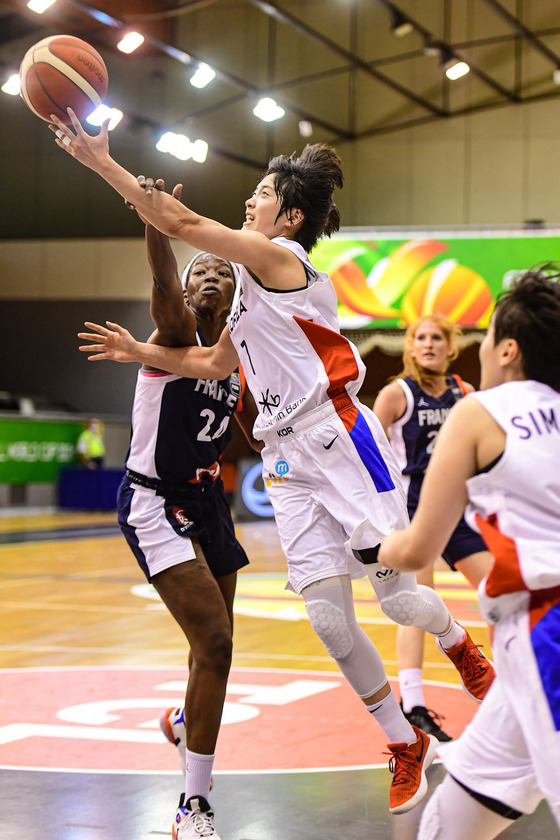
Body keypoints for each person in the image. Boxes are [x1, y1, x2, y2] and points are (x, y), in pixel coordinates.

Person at [51, 110, 494, 817]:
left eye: (260, 194)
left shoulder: (284, 262)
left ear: (288, 217)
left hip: (338, 437)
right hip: (287, 459)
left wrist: (102, 161)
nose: (249, 201)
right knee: (327, 618)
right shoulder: (250, 295)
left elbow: (181, 223)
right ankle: (402, 741)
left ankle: (459, 646)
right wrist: (140, 354)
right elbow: (209, 360)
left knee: (396, 596)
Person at [377, 266, 560, 838]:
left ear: (507, 349)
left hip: (544, 631)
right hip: (523, 638)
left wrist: (365, 539)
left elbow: (414, 548)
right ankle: (440, 674)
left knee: (415, 586)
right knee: (452, 819)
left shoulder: (475, 409)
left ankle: (453, 654)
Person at [116, 182, 261, 840]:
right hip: (154, 499)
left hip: (207, 500)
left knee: (215, 649)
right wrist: (155, 221)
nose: (207, 276)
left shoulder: (237, 358)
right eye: (200, 268)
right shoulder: (174, 330)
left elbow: (251, 435)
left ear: (235, 294)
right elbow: (161, 274)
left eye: (219, 272)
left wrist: (286, 466)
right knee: (216, 640)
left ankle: (182, 723)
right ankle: (192, 805)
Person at [373, 315, 492, 742]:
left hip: (458, 509)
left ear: (450, 347)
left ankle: (506, 685)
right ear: (409, 347)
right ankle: (414, 705)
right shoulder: (396, 393)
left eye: (436, 337)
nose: (427, 344)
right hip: (413, 511)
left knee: (498, 589)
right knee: (416, 604)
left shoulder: (466, 394)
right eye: (419, 338)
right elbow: (364, 445)